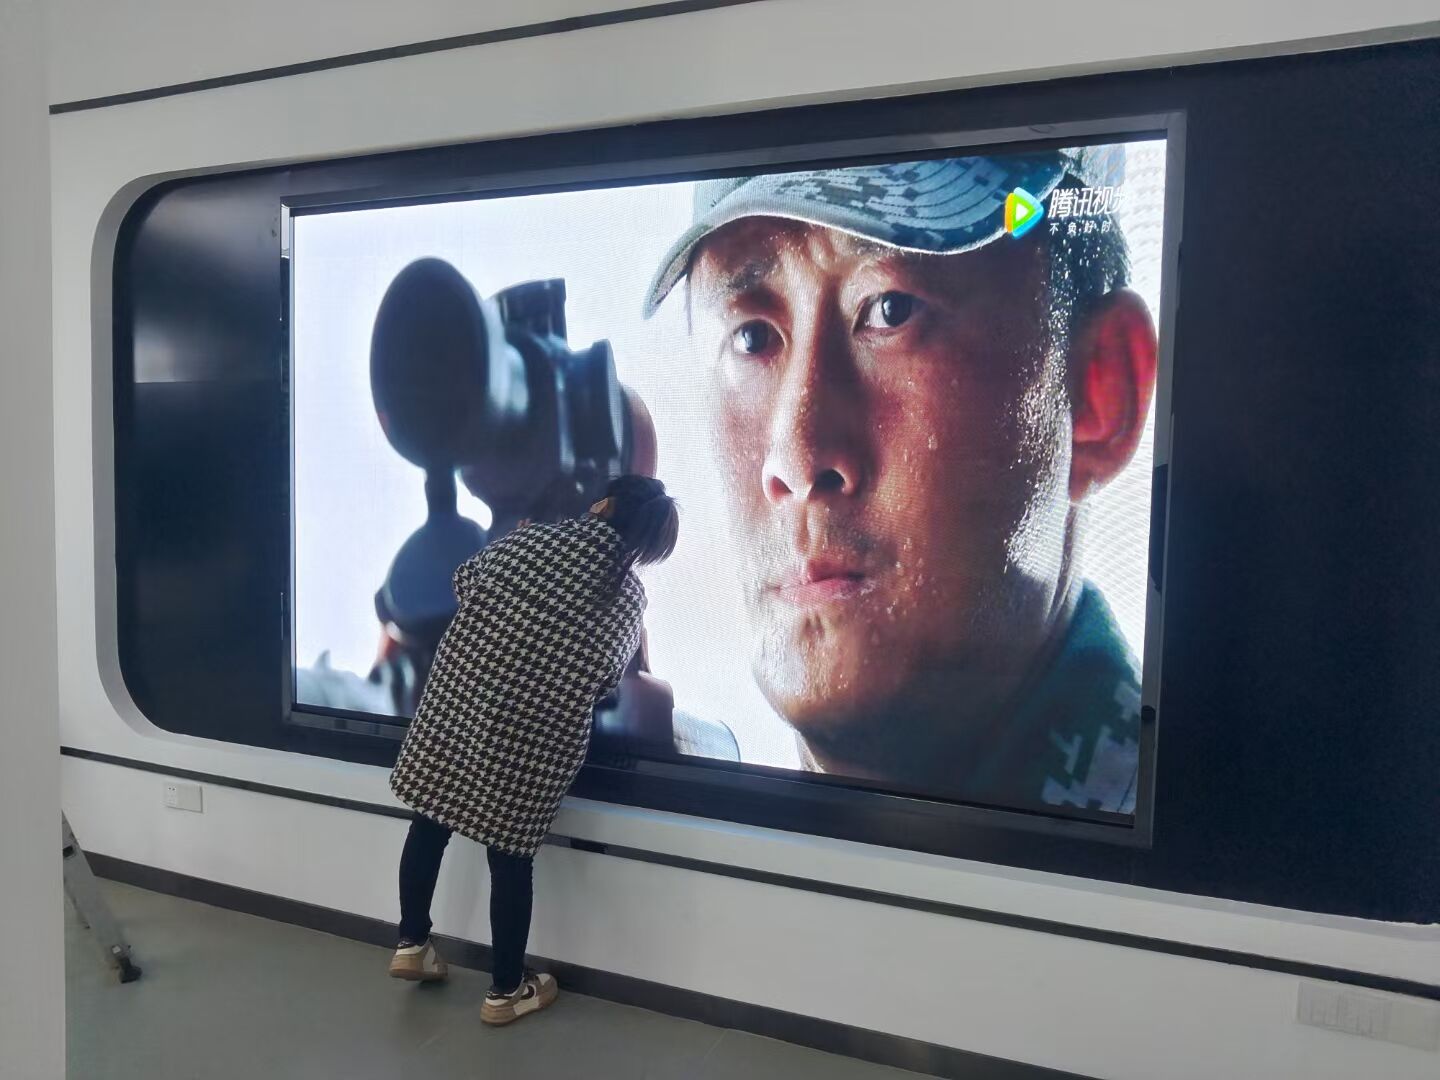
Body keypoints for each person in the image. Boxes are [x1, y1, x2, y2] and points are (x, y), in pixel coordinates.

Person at [642, 148, 1158, 813]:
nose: (795, 459)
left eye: (891, 309)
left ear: (1099, 391)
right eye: (752, 339)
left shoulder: (1220, 856)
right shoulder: (678, 825)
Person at [385, 474, 680, 1025]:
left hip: (460, 704)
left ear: (602, 504)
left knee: (429, 821)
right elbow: (605, 680)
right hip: (532, 738)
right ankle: (504, 991)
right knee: (509, 856)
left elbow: (464, 581)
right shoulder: (626, 599)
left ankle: (411, 942)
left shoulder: (531, 538)